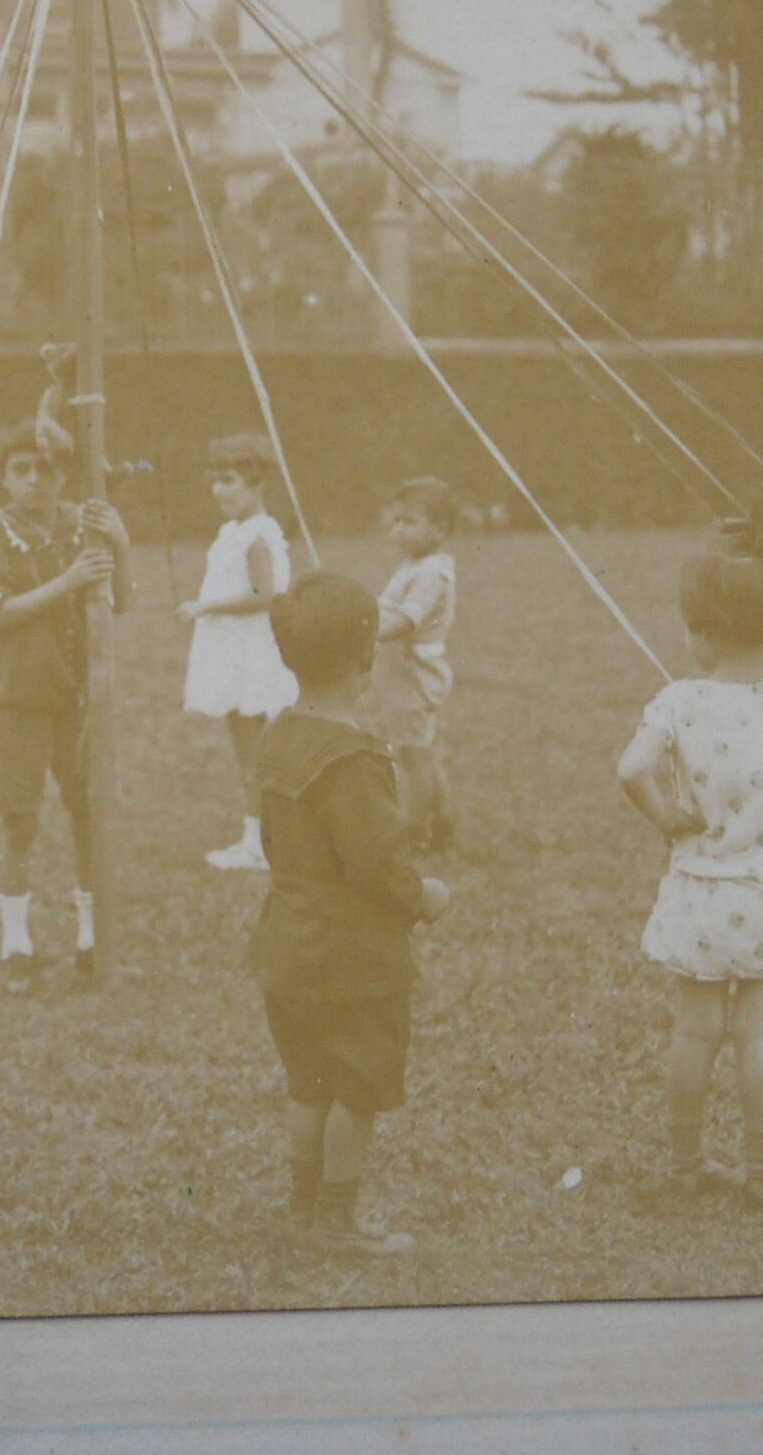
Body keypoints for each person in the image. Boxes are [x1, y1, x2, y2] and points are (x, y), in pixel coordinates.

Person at [617, 521, 763, 1210]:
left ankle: (685, 1165)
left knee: (695, 1034)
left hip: (703, 896)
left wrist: (667, 816)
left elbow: (631, 769)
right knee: (760, 1040)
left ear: (703, 633)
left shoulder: (680, 701)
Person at [249, 571, 451, 1256]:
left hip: (287, 947)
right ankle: (336, 1222)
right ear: (366, 658)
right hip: (350, 962)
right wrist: (426, 896)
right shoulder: (355, 759)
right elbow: (380, 862)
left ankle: (301, 1209)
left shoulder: (276, 735)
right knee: (356, 1090)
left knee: (306, 1084)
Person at [0, 415, 131, 982]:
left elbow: (120, 602)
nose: (35, 480)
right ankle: (17, 943)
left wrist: (120, 542)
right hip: (20, 694)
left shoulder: (79, 523)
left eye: (46, 469)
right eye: (21, 470)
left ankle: (91, 935)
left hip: (77, 694)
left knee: (88, 811)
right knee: (20, 820)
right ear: (4, 478)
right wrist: (65, 581)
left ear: (64, 476)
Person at [183, 432, 298, 873]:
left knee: (254, 750)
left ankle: (260, 844)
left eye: (229, 480)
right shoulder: (233, 531)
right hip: (232, 647)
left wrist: (204, 606)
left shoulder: (257, 535)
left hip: (250, 650)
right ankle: (259, 838)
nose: (218, 491)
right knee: (246, 746)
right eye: (214, 481)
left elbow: (265, 593)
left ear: (256, 483)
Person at [372, 476, 459, 854]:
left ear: (439, 529)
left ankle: (415, 831)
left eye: (408, 522)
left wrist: (365, 628)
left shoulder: (429, 573)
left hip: (411, 674)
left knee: (413, 755)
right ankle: (443, 821)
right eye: (394, 522)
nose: (397, 530)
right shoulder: (414, 565)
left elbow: (406, 621)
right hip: (399, 674)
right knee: (420, 752)